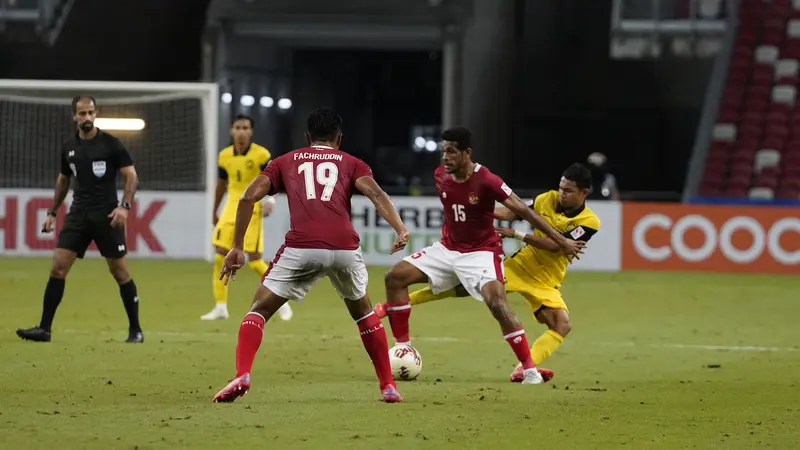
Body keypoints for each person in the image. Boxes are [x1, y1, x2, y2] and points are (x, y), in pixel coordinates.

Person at [213, 108, 410, 404]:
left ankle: (242, 374)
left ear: (307, 137)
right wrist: (401, 229)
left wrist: (237, 247)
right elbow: (377, 194)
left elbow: (247, 197)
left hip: (302, 247)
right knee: (365, 315)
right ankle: (388, 386)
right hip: (345, 249)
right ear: (339, 139)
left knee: (259, 310)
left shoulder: (285, 161)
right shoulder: (352, 163)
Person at [382, 127, 586, 385]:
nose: (446, 157)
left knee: (497, 303)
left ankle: (529, 370)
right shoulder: (441, 175)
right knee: (395, 277)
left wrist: (561, 240)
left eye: (452, 151)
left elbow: (523, 210)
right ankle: (404, 348)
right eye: (444, 150)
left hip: (481, 253)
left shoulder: (488, 180)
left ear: (467, 153)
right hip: (447, 249)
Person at [16, 96, 143, 343]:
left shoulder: (111, 144)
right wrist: (52, 212)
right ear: (74, 116)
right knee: (58, 266)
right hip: (78, 215)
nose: (86, 118)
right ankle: (44, 329)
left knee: (120, 272)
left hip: (107, 216)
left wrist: (124, 207)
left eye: (90, 113)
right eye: (82, 113)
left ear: (96, 114)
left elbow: (131, 176)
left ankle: (135, 330)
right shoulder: (69, 147)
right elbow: (64, 179)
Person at [202, 114, 292, 321]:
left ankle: (281, 299)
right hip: (230, 208)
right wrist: (214, 210)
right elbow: (221, 185)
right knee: (219, 256)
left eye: (245, 128)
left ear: (251, 131)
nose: (241, 131)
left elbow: (275, 179)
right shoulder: (224, 156)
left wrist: (271, 201)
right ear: (231, 130)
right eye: (237, 127)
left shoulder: (261, 155)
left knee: (254, 261)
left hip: (251, 206)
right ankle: (221, 307)